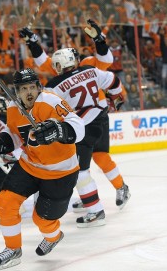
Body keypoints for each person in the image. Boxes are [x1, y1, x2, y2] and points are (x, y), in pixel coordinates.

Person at [19, 20, 131, 219]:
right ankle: (118, 188)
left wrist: (99, 40)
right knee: (101, 158)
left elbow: (105, 58)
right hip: (101, 117)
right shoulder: (89, 67)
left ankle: (94, 204)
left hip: (84, 125)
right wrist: (33, 43)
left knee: (80, 169)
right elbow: (109, 71)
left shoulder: (58, 81)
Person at [0, 68, 85, 270]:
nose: (29, 92)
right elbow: (15, 135)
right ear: (16, 91)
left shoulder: (51, 101)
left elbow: (78, 126)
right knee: (4, 203)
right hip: (30, 165)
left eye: (32, 87)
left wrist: (58, 130)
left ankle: (53, 236)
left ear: (38, 87)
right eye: (23, 89)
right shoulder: (12, 106)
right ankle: (13, 249)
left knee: (41, 220)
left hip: (60, 172)